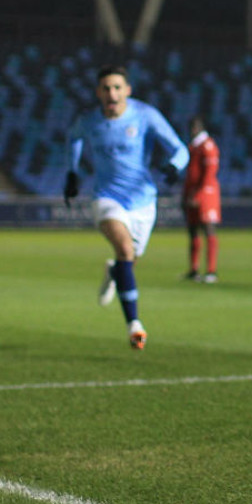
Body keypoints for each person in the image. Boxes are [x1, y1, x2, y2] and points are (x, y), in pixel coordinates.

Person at [64, 65, 188, 350]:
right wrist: (72, 172)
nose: (112, 93)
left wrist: (174, 166)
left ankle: (114, 271)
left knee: (129, 259)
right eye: (106, 88)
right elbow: (73, 138)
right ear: (98, 93)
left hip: (143, 201)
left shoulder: (145, 115)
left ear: (127, 91)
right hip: (107, 198)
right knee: (125, 250)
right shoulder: (89, 120)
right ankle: (134, 325)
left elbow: (180, 149)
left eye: (117, 87)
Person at [182, 115, 221, 283]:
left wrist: (199, 195)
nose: (192, 130)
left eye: (195, 127)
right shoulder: (193, 146)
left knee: (208, 229)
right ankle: (194, 270)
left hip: (207, 194)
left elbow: (209, 173)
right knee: (193, 230)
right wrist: (186, 194)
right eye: (191, 127)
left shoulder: (208, 146)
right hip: (192, 192)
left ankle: (211, 271)